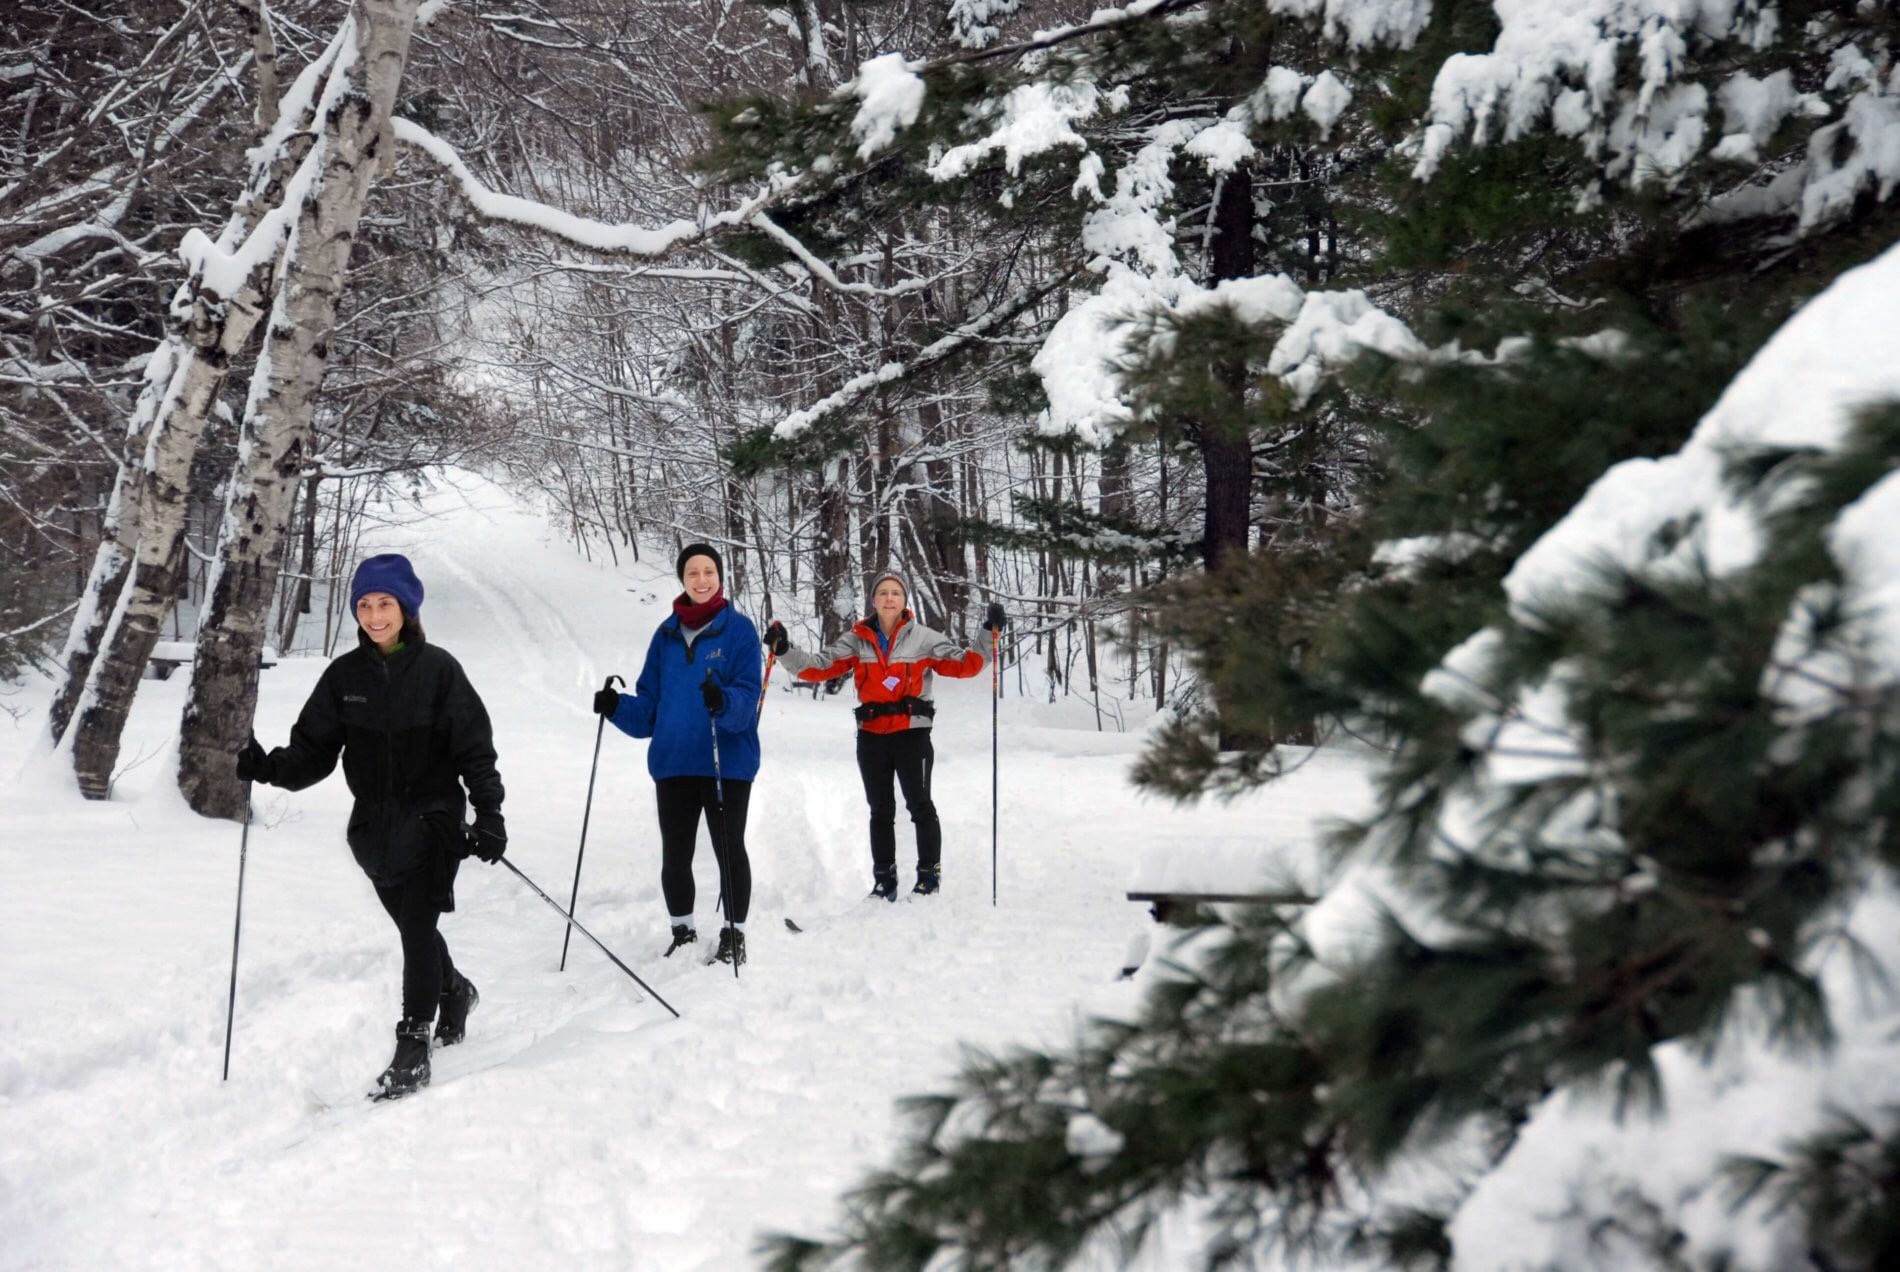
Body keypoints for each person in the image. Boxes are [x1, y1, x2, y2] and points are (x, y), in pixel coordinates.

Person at [236, 553, 505, 1101]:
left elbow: (474, 750)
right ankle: (455, 991)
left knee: (414, 926)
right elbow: (313, 753)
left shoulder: (439, 672)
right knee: (417, 930)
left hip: (434, 820)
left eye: (385, 604)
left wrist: (490, 813)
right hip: (373, 829)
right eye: (364, 604)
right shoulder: (345, 677)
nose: (375, 615)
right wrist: (267, 768)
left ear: (407, 609)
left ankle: (413, 1044)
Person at [764, 571, 1001, 900]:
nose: (889, 598)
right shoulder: (856, 640)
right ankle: (884, 881)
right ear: (873, 600)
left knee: (920, 805)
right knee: (880, 809)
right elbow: (818, 666)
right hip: (872, 737)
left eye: (896, 593)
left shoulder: (923, 638)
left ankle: (928, 878)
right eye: (883, 593)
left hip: (912, 735)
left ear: (905, 601)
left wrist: (989, 633)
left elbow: (965, 665)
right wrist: (785, 649)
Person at [594, 543, 762, 966]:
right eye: (693, 573)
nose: (701, 580)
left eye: (709, 571)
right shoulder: (665, 636)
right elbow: (649, 709)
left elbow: (746, 698)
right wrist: (616, 707)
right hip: (673, 762)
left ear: (720, 577)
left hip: (728, 764)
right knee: (676, 853)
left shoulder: (739, 631)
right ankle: (682, 930)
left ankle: (734, 934)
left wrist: (721, 701)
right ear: (682, 579)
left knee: (729, 848)